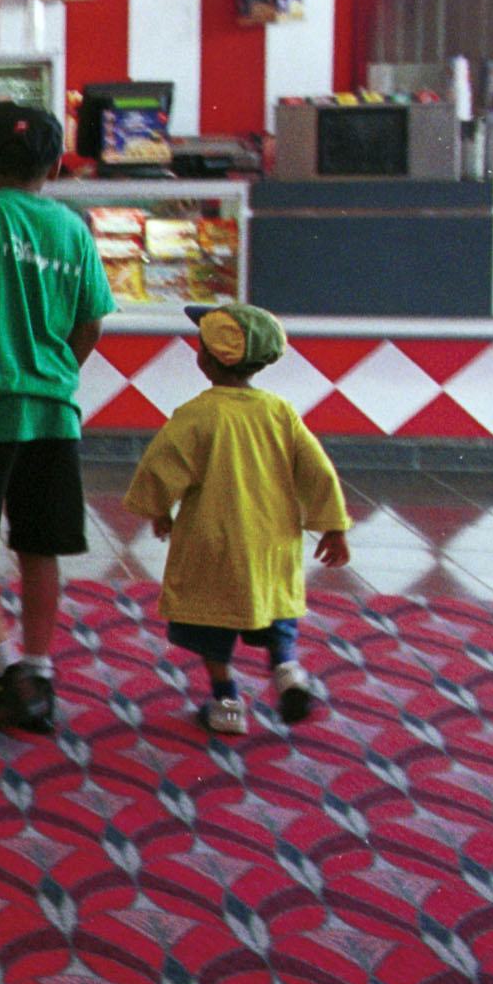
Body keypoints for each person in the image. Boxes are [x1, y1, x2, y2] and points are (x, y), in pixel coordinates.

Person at [0, 107, 109, 735]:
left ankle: (1, 665)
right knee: (40, 546)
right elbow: (90, 322)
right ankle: (38, 667)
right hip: (54, 411)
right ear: (57, 166)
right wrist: (61, 373)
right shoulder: (74, 228)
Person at [123, 302, 350, 737]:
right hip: (271, 543)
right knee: (277, 609)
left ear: (205, 358)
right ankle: (287, 671)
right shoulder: (279, 412)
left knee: (211, 624)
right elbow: (316, 469)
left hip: (213, 544)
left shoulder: (197, 414)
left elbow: (159, 467)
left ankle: (227, 701)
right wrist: (333, 525)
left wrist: (158, 510)